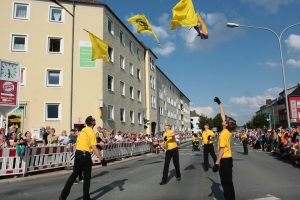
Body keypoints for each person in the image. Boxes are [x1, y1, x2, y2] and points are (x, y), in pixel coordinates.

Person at [60, 116, 107, 200]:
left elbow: (86, 142)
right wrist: (102, 159)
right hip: (85, 155)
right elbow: (94, 148)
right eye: (94, 120)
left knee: (74, 175)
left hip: (78, 153)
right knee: (87, 177)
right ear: (92, 123)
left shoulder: (83, 130)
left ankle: (63, 196)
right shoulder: (91, 133)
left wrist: (97, 144)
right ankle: (86, 197)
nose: (95, 120)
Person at [212, 97, 236, 200]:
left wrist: (217, 163)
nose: (224, 119)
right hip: (229, 158)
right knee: (229, 182)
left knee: (225, 183)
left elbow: (221, 150)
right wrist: (220, 104)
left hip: (225, 160)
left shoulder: (223, 135)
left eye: (225, 120)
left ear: (226, 124)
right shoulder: (228, 131)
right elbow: (223, 114)